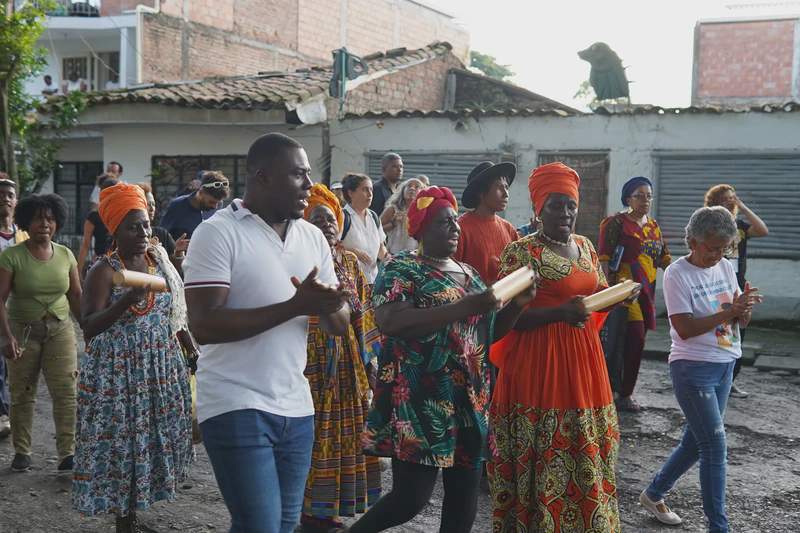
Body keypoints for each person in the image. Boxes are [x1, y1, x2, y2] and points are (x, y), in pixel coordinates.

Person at [334, 186, 535, 533]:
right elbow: (391, 321)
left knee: (464, 499)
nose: (455, 227)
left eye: (456, 220)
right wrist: (461, 308)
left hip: (468, 400)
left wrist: (517, 304)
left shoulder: (469, 274)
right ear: (422, 228)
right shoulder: (402, 267)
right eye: (445, 221)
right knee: (411, 498)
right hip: (420, 399)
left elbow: (484, 336)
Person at [183, 133, 352, 533]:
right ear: (262, 178)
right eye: (298, 175)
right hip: (234, 401)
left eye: (308, 174)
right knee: (258, 525)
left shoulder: (311, 236)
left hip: (297, 407)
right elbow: (204, 325)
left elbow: (338, 323)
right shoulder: (218, 232)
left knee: (284, 524)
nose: (309, 186)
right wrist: (296, 306)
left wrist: (331, 305)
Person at [489, 163, 641, 533]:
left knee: (588, 445)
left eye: (571, 205)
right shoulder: (521, 253)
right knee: (546, 449)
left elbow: (594, 299)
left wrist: (618, 296)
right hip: (539, 364)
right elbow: (504, 320)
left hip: (584, 360)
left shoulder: (586, 247)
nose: (566, 213)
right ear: (538, 209)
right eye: (556, 205)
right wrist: (559, 312)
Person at [73, 183, 195, 532]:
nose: (142, 232)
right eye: (132, 226)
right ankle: (123, 521)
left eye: (144, 224)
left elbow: (175, 310)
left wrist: (189, 345)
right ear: (114, 229)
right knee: (123, 447)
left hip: (159, 366)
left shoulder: (158, 259)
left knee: (149, 443)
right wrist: (126, 299)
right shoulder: (103, 269)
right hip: (119, 375)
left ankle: (136, 513)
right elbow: (88, 326)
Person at [640, 206, 761, 533]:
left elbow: (738, 318)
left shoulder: (723, 266)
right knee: (714, 446)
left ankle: (653, 493)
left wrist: (744, 309)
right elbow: (685, 329)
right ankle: (718, 527)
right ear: (693, 241)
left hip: (725, 363)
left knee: (696, 441)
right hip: (693, 369)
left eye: (725, 248)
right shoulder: (678, 273)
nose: (719, 255)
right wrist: (731, 312)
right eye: (713, 248)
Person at [300, 184, 383, 531]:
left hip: (348, 361)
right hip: (311, 364)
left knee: (346, 435)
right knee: (315, 436)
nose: (328, 226)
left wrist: (371, 363)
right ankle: (307, 512)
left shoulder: (348, 261)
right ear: (306, 226)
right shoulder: (299, 260)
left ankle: (329, 507)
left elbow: (363, 313)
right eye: (319, 220)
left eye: (332, 219)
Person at [0, 194, 81, 473]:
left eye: (49, 218)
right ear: (25, 222)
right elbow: (0, 298)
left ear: (57, 222)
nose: (44, 223)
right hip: (22, 331)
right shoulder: (11, 256)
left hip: (60, 329)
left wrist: (90, 331)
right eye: (37, 218)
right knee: (23, 393)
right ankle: (22, 451)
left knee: (66, 393)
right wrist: (5, 336)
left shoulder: (66, 254)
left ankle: (67, 455)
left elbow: (76, 295)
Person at [598, 176, 671, 411]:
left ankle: (622, 392)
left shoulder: (653, 226)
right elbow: (604, 256)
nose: (646, 200)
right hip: (624, 292)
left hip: (647, 292)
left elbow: (664, 259)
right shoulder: (616, 223)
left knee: (635, 343)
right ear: (628, 198)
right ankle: (618, 392)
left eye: (649, 196)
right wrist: (606, 290)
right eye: (640, 196)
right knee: (629, 340)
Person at [704, 184, 769, 399]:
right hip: (715, 285)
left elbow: (762, 230)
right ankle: (713, 378)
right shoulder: (708, 225)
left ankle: (730, 380)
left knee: (739, 333)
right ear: (715, 202)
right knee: (720, 332)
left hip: (737, 285)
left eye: (733, 199)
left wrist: (742, 205)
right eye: (725, 199)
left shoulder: (739, 226)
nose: (730, 203)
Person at [453, 161, 519, 284]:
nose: (506, 194)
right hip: (475, 302)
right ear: (481, 194)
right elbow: (452, 279)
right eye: (500, 188)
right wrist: (489, 287)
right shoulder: (460, 228)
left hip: (508, 303)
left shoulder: (508, 228)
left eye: (507, 187)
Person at [0, 175, 27, 440]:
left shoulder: (24, 236)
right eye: (1, 195)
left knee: (13, 364)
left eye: (10, 195)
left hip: (18, 311)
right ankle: (3, 414)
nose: (5, 199)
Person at [340, 173, 388, 286]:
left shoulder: (374, 217)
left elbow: (380, 246)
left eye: (371, 189)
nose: (370, 194)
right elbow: (332, 248)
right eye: (364, 190)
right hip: (350, 283)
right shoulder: (342, 217)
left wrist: (389, 259)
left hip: (373, 281)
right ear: (351, 193)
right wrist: (353, 252)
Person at [160, 171, 229, 241]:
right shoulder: (176, 206)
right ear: (201, 192)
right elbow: (162, 237)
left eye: (218, 202)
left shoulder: (218, 205)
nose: (215, 207)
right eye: (211, 202)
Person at [137, 182, 189, 272]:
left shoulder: (162, 234)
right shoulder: (128, 234)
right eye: (148, 204)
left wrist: (179, 253)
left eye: (153, 204)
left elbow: (178, 269)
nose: (152, 208)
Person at [78, 175, 118, 275]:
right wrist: (78, 270)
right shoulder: (94, 216)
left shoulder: (123, 215)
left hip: (119, 263)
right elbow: (86, 245)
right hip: (101, 262)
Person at [379, 177, 423, 254]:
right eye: (409, 186)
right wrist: (392, 224)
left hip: (415, 258)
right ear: (403, 191)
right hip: (393, 256)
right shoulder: (393, 209)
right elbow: (376, 231)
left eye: (417, 187)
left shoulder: (423, 212)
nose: (412, 189)